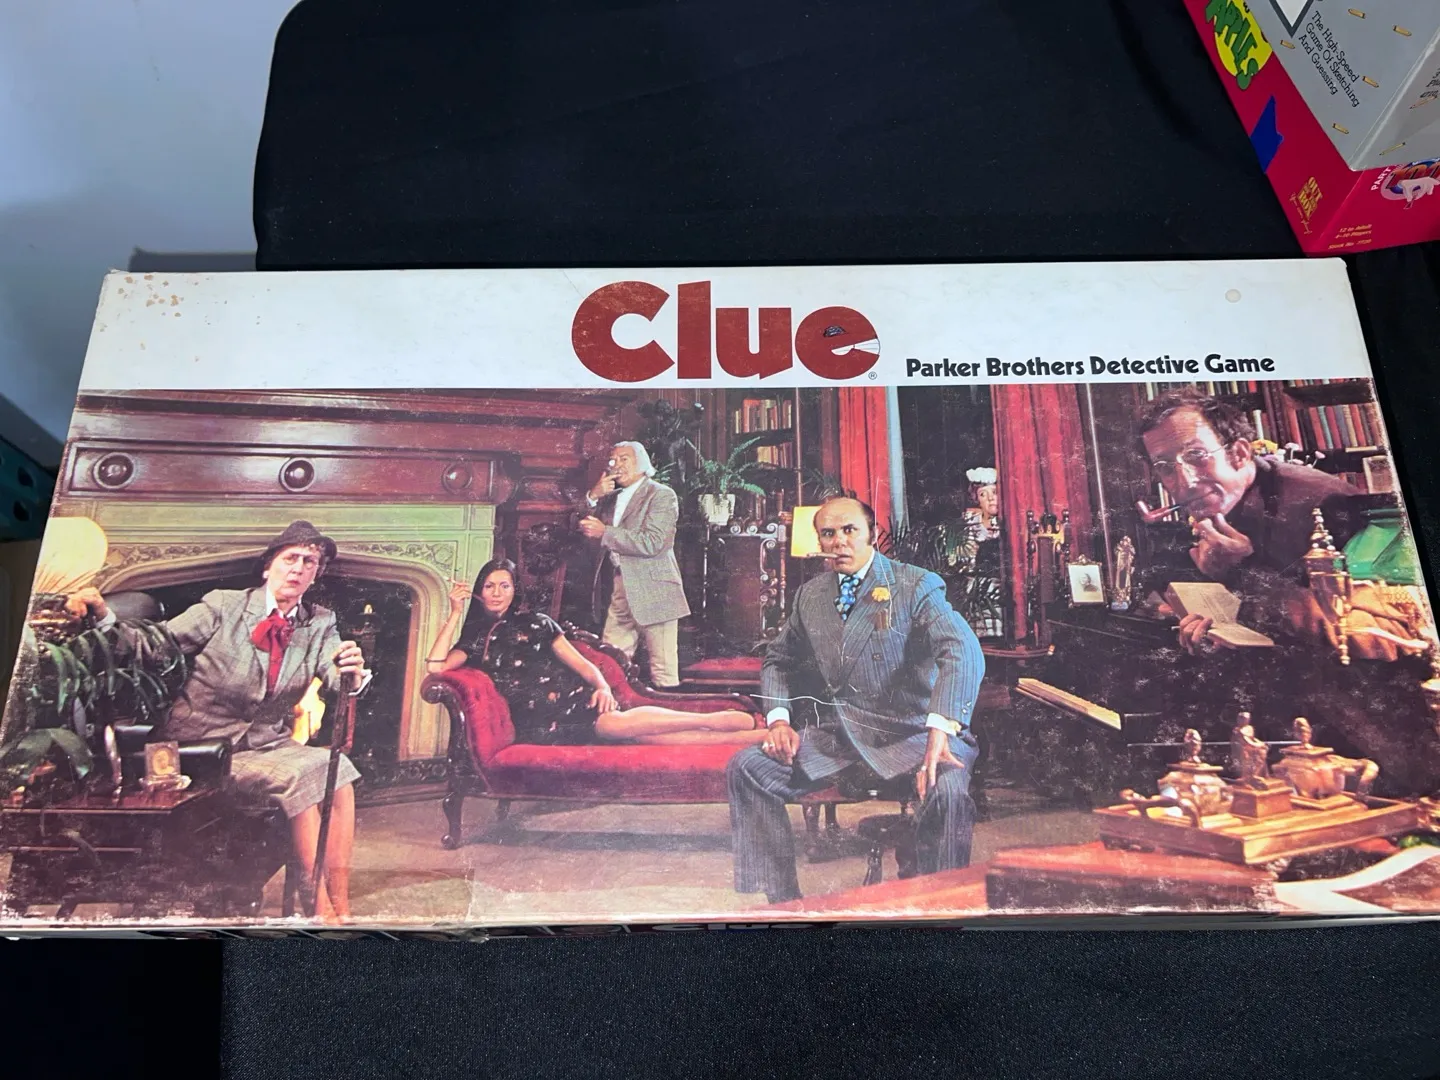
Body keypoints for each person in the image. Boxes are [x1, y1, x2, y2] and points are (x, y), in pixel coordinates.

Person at [66, 520, 370, 921]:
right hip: (200, 746)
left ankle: (340, 904)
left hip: (266, 744)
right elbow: (156, 644)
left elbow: (335, 675)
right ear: (268, 567)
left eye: (309, 562)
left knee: (340, 773)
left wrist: (351, 672)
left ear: (316, 574)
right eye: (290, 558)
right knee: (301, 777)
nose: (298, 568)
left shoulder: (320, 622)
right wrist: (105, 617)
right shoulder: (224, 606)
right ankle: (318, 907)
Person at [726, 496, 985, 904]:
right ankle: (784, 903)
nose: (839, 541)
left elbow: (962, 650)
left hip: (918, 735)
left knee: (949, 793)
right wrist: (778, 720)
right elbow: (778, 659)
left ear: (871, 534)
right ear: (819, 542)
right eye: (828, 533)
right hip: (844, 740)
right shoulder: (810, 596)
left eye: (849, 530)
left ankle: (940, 905)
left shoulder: (916, 584)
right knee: (748, 768)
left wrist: (942, 728)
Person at [1133, 388, 1409, 659]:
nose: (1185, 483)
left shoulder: (1326, 504)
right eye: (1165, 467)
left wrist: (1242, 571)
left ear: (1239, 453)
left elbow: (1382, 638)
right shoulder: (1218, 506)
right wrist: (1216, 633)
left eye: (1196, 456)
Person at [427, 558, 765, 745]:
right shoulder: (475, 640)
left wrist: (602, 687)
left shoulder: (538, 622)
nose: (497, 593)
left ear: (515, 590)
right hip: (540, 722)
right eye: (489, 586)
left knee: (628, 729)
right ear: (479, 592)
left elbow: (583, 664)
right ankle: (736, 731)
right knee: (647, 737)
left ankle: (718, 722)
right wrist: (455, 613)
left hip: (574, 700)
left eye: (505, 585)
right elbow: (436, 667)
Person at [578, 440, 690, 688]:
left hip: (655, 590)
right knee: (611, 665)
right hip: (620, 586)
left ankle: (666, 712)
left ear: (642, 463)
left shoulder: (661, 494)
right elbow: (578, 525)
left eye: (624, 459)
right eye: (613, 460)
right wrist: (593, 496)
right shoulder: (608, 498)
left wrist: (605, 532)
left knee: (663, 671)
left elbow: (653, 542)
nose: (616, 465)